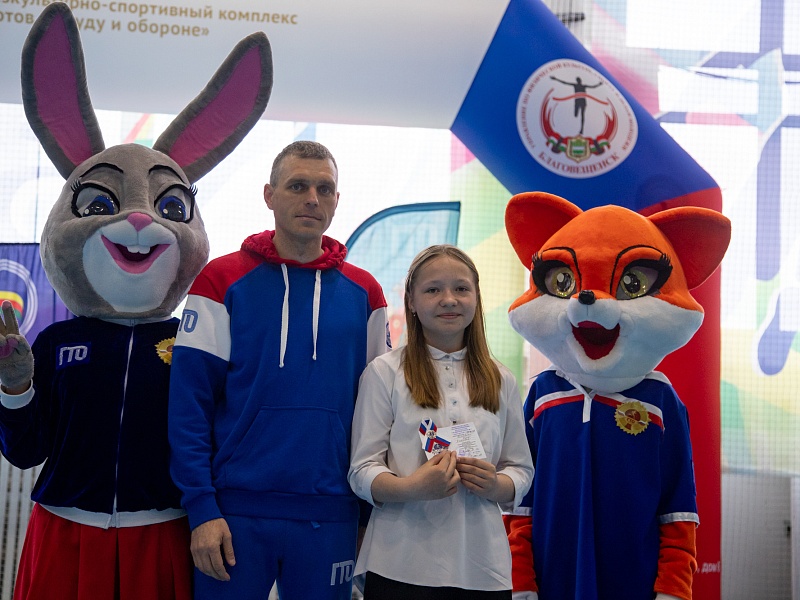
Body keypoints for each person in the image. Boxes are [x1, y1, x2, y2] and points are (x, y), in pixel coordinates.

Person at [168, 140, 391, 600]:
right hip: (233, 514)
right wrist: (202, 508)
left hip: (333, 514)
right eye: (297, 186)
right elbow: (189, 405)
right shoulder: (220, 281)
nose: (312, 198)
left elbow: (380, 414)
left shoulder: (366, 293)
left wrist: (368, 515)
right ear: (269, 195)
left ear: (336, 200)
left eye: (324, 189)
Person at [348, 244, 533, 600]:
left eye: (461, 288)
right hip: (399, 564)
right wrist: (410, 488)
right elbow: (361, 470)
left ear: (476, 298)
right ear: (411, 302)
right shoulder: (384, 373)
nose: (449, 299)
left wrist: (496, 485)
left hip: (483, 569)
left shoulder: (502, 379)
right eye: (433, 290)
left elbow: (521, 469)